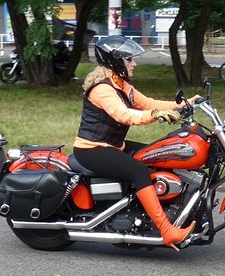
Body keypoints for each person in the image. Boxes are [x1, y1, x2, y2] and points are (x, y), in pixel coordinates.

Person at [72, 36, 200, 251]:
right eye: (129, 59)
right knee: (139, 170)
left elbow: (149, 103)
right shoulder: (102, 89)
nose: (134, 64)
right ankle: (165, 229)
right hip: (91, 149)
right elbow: (124, 115)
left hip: (113, 146)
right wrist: (156, 114)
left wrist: (184, 105)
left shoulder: (123, 86)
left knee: (158, 155)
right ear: (116, 62)